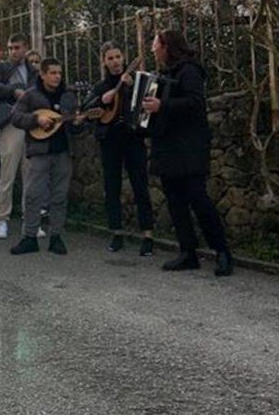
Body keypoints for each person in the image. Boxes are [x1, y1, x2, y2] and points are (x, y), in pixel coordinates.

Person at [144, 30, 233, 277]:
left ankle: (222, 251)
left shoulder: (189, 71)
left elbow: (195, 104)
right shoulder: (166, 74)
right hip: (168, 145)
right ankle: (188, 252)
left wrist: (162, 106)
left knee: (198, 199)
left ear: (167, 47)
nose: (153, 49)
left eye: (155, 45)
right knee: (175, 201)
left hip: (189, 146)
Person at [8, 58, 85, 255]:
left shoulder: (68, 96)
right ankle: (30, 237)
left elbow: (76, 128)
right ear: (42, 74)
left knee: (59, 196)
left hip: (63, 152)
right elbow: (15, 117)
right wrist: (36, 119)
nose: (57, 76)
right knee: (33, 195)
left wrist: (77, 124)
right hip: (40, 151)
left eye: (59, 73)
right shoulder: (31, 96)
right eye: (52, 73)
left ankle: (56, 237)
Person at [92, 42, 155, 255]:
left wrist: (128, 88)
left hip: (133, 139)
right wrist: (102, 100)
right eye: (110, 58)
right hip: (110, 141)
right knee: (112, 187)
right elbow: (86, 110)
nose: (115, 61)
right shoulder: (101, 86)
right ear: (104, 62)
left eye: (117, 56)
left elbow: (146, 110)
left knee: (140, 186)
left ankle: (147, 235)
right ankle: (116, 232)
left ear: (124, 57)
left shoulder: (137, 80)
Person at [0, 33, 38, 240]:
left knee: (30, 174)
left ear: (26, 48)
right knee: (7, 173)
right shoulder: (1, 67)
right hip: (11, 123)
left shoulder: (34, 72)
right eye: (11, 48)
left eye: (17, 47)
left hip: (30, 124)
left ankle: (29, 218)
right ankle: (2, 218)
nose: (13, 51)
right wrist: (12, 91)